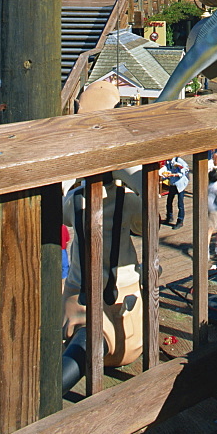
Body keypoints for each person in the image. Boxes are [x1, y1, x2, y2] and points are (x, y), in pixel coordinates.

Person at [62, 81, 144, 393]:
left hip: (81, 293)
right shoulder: (127, 201)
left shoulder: (76, 198)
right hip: (119, 296)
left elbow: (57, 208)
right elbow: (150, 219)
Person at [161, 156, 189, 228]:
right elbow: (166, 169)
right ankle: (169, 217)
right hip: (172, 183)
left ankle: (180, 220)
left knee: (180, 203)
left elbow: (185, 170)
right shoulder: (167, 161)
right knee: (169, 201)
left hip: (180, 184)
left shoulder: (178, 160)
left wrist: (173, 174)